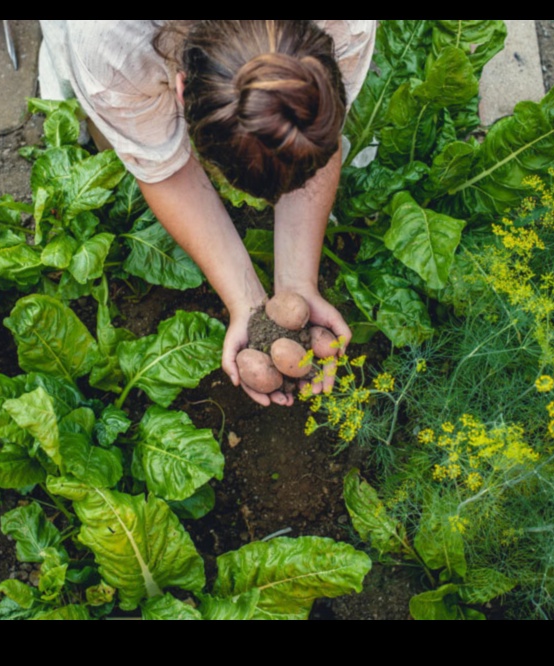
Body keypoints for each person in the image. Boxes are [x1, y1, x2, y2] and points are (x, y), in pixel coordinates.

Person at [38, 20, 376, 406]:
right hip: (107, 47)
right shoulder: (110, 46)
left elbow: (307, 135)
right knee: (95, 92)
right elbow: (164, 169)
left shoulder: (348, 26)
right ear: (182, 91)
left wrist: (295, 285)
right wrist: (244, 300)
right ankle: (65, 80)